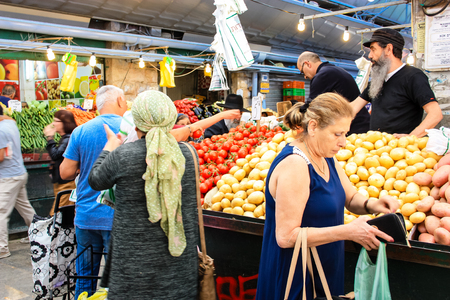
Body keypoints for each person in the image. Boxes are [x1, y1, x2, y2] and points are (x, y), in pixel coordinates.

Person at [255, 93, 399, 300]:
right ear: (313, 127)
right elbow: (286, 237)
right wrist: (347, 231)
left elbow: (350, 199)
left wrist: (373, 204)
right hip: (297, 275)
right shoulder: (295, 165)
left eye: (346, 134)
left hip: (324, 267)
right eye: (337, 134)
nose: (344, 143)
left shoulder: (326, 158)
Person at [88, 91, 199, 299]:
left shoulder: (124, 155)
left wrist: (110, 147)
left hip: (134, 267)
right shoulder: (189, 155)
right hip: (179, 262)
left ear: (136, 122)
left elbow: (96, 180)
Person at [59, 85, 127, 298]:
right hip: (117, 218)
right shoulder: (130, 129)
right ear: (119, 101)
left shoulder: (81, 131)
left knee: (85, 276)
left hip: (86, 216)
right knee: (116, 279)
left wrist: (83, 163)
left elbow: (65, 172)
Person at [351, 28, 443, 137]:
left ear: (389, 49)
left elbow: (435, 114)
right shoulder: (378, 80)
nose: (370, 55)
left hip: (404, 151)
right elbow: (353, 108)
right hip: (378, 150)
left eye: (373, 49)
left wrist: (410, 138)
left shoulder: (413, 77)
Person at [297, 51, 370, 134]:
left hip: (354, 129)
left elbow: (311, 107)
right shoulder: (334, 70)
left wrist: (295, 116)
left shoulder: (322, 76)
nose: (305, 76)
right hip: (361, 124)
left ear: (307, 64)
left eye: (302, 72)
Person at [0, 105, 36, 259]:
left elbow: (0, 157)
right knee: (26, 209)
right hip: (19, 173)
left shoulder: (1, 130)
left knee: (1, 212)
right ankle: (39, 234)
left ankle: (2, 248)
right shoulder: (10, 123)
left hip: (9, 177)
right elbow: (10, 117)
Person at [43, 110, 77, 216]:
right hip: (62, 182)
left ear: (64, 123)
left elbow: (56, 155)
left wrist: (50, 138)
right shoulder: (65, 138)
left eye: (56, 121)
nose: (53, 124)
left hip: (66, 183)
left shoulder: (68, 139)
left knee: (56, 213)